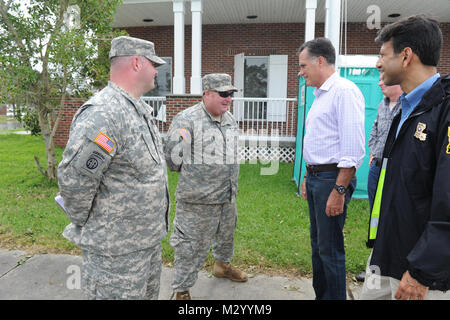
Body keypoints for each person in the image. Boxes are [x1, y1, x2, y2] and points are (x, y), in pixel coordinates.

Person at [57, 36, 170, 300]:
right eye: (153, 64)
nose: (156, 71)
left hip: (146, 246)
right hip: (115, 256)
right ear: (136, 63)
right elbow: (75, 182)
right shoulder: (104, 113)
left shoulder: (137, 110)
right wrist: (94, 225)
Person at [361, 14, 450, 300]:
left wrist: (422, 270)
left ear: (406, 56)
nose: (378, 63)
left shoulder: (444, 111)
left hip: (421, 274)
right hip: (386, 255)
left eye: (383, 55)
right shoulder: (406, 108)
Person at [165, 73, 247, 300]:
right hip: (197, 201)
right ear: (207, 93)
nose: (228, 98)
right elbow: (173, 159)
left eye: (231, 94)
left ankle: (222, 266)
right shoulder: (187, 120)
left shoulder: (229, 119)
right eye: (223, 94)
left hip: (227, 196)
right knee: (189, 246)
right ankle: (181, 289)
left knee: (226, 235)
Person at [298, 38, 365, 300]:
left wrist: (339, 189)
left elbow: (352, 149)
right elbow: (319, 142)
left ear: (321, 61)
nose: (301, 72)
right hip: (316, 177)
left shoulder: (344, 92)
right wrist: (306, 175)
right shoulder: (321, 94)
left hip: (331, 180)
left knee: (330, 249)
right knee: (318, 247)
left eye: (303, 65)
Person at [355, 74, 402, 282]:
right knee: (376, 218)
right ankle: (375, 268)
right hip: (377, 167)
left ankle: (392, 268)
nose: (379, 83)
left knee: (393, 218)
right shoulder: (383, 105)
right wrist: (374, 150)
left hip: (394, 171)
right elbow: (374, 129)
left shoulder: (407, 106)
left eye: (384, 80)